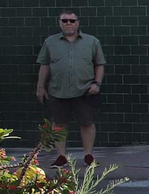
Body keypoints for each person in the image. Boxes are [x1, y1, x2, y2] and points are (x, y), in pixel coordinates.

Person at [36, 9, 106, 168]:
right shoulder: (50, 42)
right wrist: (40, 87)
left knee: (87, 122)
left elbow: (99, 64)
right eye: (65, 20)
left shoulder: (92, 41)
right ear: (59, 23)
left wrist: (97, 83)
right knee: (59, 124)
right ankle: (61, 157)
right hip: (57, 90)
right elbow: (44, 65)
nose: (68, 23)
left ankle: (88, 156)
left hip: (85, 90)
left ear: (78, 23)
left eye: (72, 21)